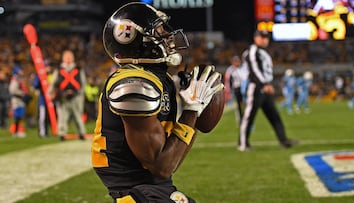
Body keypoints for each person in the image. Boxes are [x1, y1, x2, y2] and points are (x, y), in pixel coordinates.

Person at [91, 3, 223, 203]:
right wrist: (192, 110)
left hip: (152, 189)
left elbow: (170, 162)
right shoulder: (133, 84)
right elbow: (162, 166)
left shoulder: (158, 79)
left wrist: (195, 113)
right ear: (138, 41)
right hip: (135, 192)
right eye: (159, 31)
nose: (168, 36)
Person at [239, 30, 297, 151]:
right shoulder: (252, 50)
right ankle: (243, 144)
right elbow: (254, 69)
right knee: (249, 116)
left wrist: (268, 84)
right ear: (255, 38)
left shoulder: (263, 52)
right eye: (262, 37)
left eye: (266, 37)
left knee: (274, 115)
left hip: (265, 87)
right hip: (256, 87)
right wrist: (264, 83)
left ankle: (283, 140)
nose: (264, 40)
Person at [49, 50, 87, 141]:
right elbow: (54, 82)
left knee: (78, 116)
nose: (68, 59)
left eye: (70, 57)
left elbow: (83, 82)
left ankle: (81, 133)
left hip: (76, 96)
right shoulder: (59, 69)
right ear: (63, 58)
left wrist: (81, 94)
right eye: (66, 57)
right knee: (62, 116)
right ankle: (62, 134)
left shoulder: (78, 69)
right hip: (63, 96)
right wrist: (50, 92)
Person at [224, 55, 248, 125]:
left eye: (237, 61)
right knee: (239, 105)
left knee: (245, 104)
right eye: (235, 61)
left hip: (243, 88)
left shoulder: (242, 69)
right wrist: (229, 91)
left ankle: (245, 119)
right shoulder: (230, 70)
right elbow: (228, 81)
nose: (237, 63)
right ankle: (240, 120)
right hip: (236, 89)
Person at [9, 65, 31, 137]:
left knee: (20, 116)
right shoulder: (15, 79)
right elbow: (12, 90)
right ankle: (15, 131)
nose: (21, 71)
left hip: (20, 99)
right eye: (20, 70)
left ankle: (17, 131)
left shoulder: (19, 78)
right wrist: (22, 94)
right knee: (17, 116)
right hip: (17, 99)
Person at [33, 61, 53, 137]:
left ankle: (47, 132)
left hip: (50, 100)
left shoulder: (50, 75)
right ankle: (42, 132)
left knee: (48, 117)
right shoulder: (40, 75)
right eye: (47, 66)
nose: (49, 68)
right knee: (42, 117)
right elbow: (35, 85)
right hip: (42, 100)